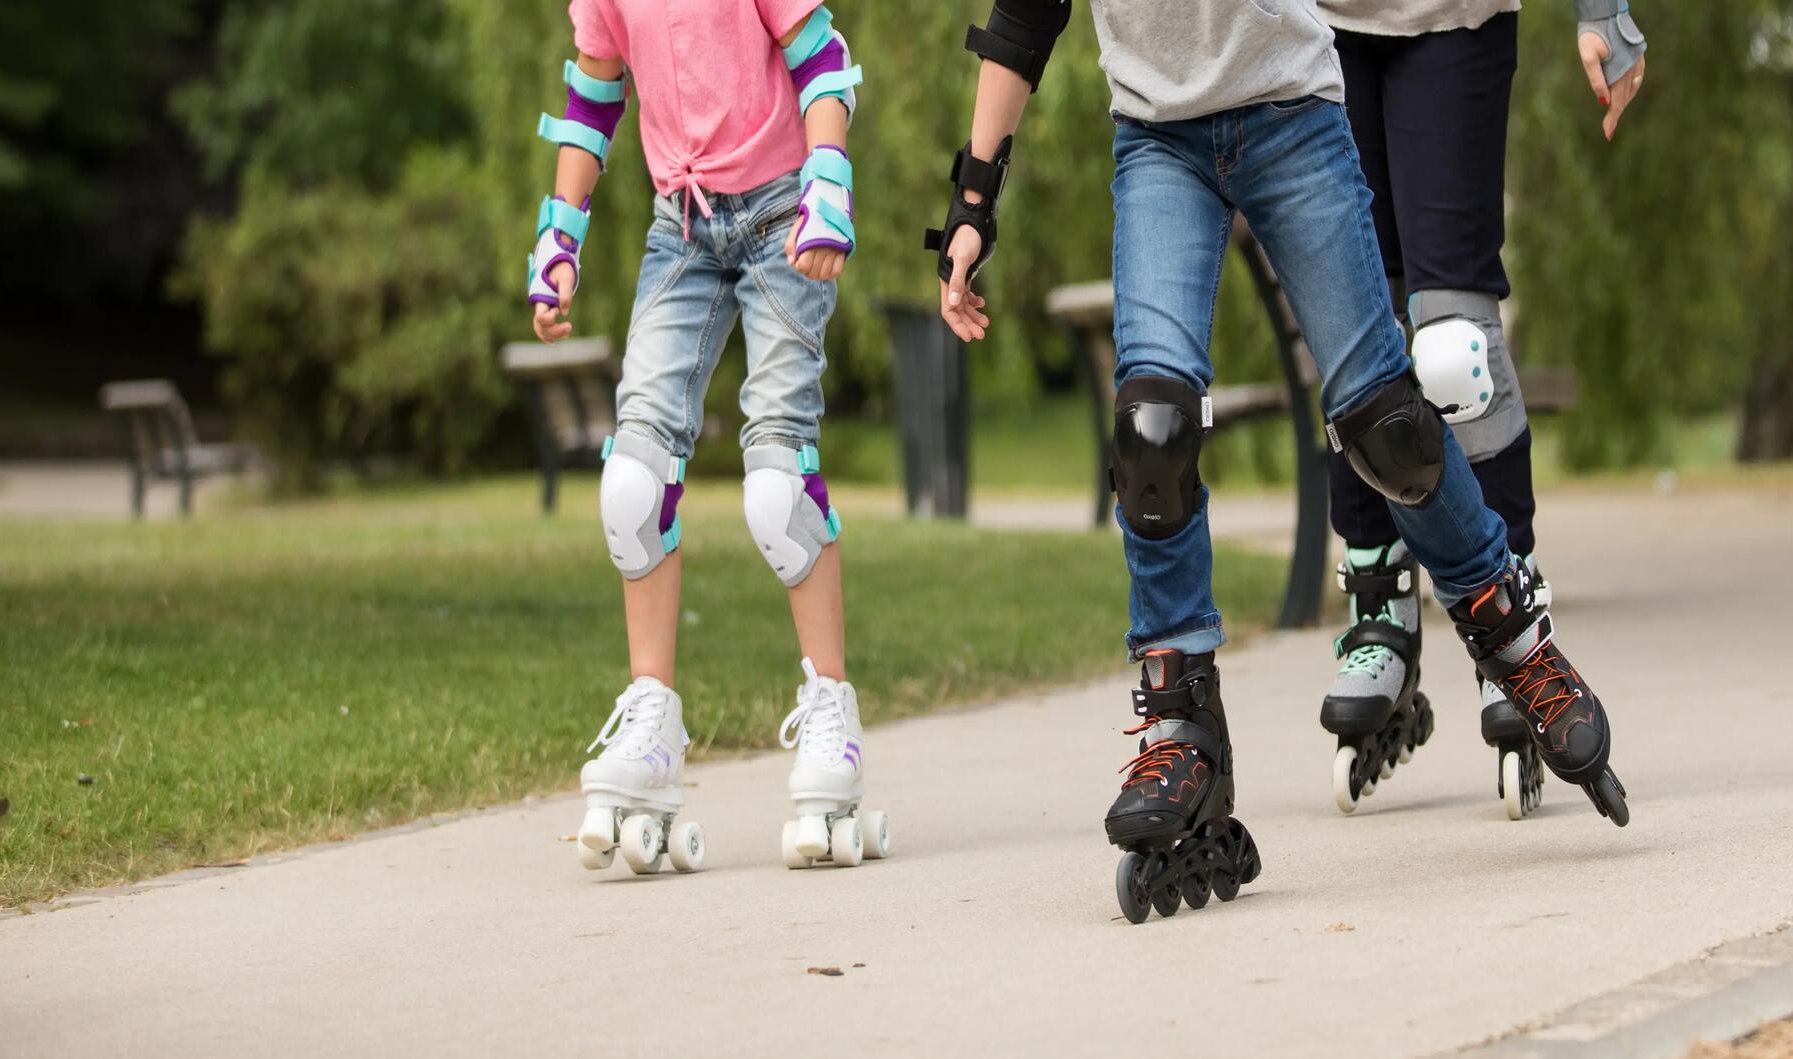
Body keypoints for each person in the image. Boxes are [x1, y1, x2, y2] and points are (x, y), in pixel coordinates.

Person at [926, 0, 1628, 923]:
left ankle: (1514, 639)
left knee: (1388, 427)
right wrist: (972, 204)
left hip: (1293, 115)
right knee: (1152, 434)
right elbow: (1022, 19)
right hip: (1158, 141)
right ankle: (1180, 721)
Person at [532, 0, 887, 876]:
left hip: (782, 222)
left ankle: (832, 717)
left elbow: (821, 60)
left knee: (775, 485)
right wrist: (559, 231)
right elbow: (593, 94)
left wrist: (829, 181)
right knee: (631, 484)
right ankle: (652, 721)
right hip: (680, 228)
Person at [1314, 1, 1647, 820]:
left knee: (1452, 342)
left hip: (1452, 21)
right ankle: (1378, 603)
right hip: (1305, 29)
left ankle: (1510, 599)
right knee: (1353, 329)